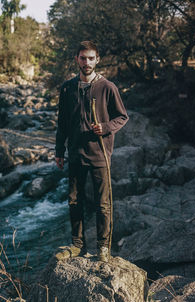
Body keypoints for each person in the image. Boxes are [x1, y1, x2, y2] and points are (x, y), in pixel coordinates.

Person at [55, 41, 128, 262]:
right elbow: (62, 123)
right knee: (74, 201)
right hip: (75, 153)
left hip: (100, 154)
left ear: (97, 60)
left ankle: (103, 248)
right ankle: (77, 245)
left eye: (90, 58)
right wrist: (59, 150)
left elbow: (122, 117)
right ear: (76, 59)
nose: (86, 62)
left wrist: (105, 128)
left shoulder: (107, 87)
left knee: (102, 203)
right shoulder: (67, 88)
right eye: (82, 58)